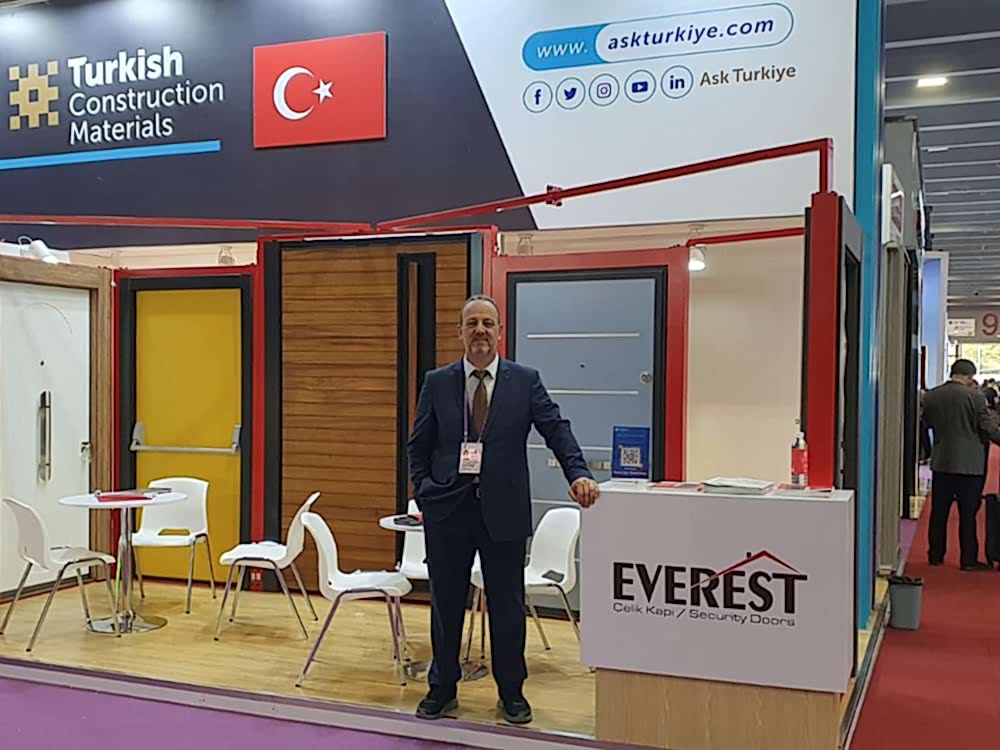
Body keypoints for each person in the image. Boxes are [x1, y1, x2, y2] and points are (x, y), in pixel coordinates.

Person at [407, 294, 600, 724]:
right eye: (472, 323)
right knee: (446, 605)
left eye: (487, 323)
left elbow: (556, 429)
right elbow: (418, 445)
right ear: (460, 332)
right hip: (447, 513)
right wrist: (425, 490)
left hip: (504, 513)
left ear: (499, 331)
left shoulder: (524, 381)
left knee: (508, 608)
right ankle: (442, 687)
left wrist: (578, 473)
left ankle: (511, 692)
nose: (480, 330)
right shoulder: (437, 382)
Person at [922, 359, 1000, 570]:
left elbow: (926, 422)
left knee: (939, 512)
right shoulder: (975, 397)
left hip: (942, 461)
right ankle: (968, 560)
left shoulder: (932, 396)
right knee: (968, 514)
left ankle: (935, 555)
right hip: (970, 465)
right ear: (970, 376)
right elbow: (988, 427)